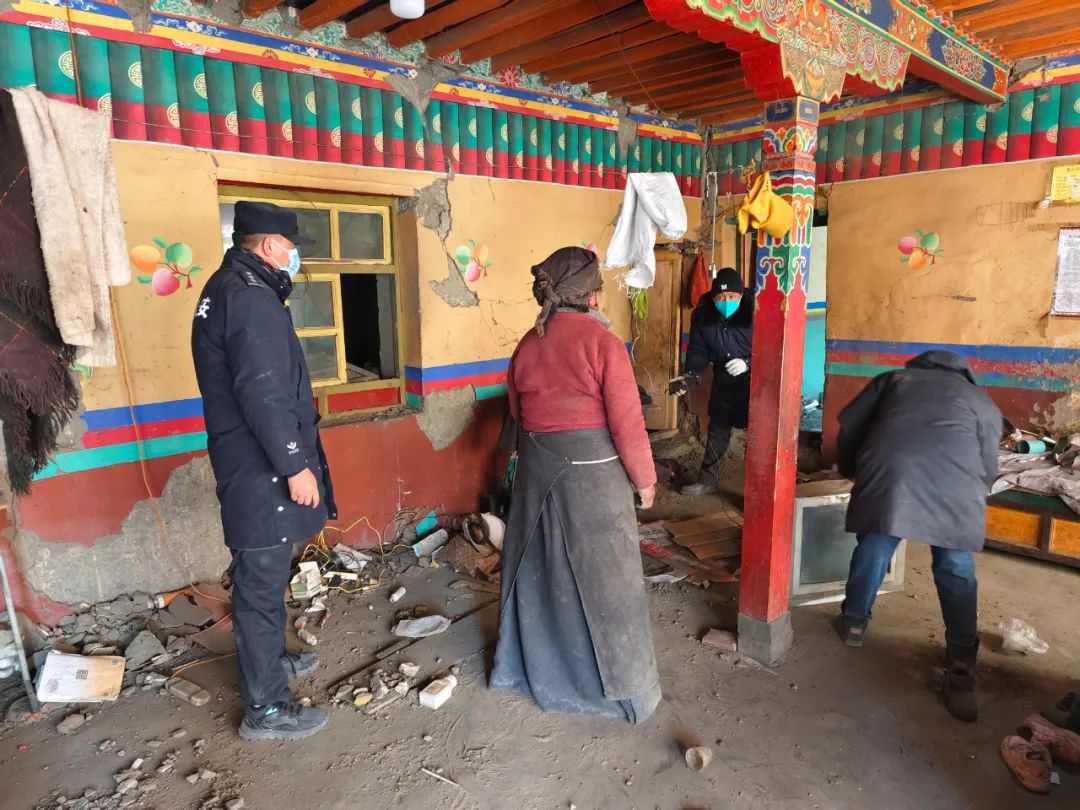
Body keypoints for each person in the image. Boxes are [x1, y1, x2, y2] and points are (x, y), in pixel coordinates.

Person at [490, 246, 662, 724]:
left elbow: (517, 412)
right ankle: (619, 694)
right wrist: (645, 480)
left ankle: (534, 673)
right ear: (590, 296)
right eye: (600, 288)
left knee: (542, 571)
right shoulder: (603, 343)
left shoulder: (529, 343)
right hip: (594, 479)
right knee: (607, 583)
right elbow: (627, 421)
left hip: (536, 474)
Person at [191, 201, 337, 741]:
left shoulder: (227, 286)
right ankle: (267, 709)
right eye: (292, 247)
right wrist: (295, 465)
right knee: (259, 581)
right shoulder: (250, 297)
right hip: (262, 467)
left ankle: (271, 659)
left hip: (249, 458)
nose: (295, 257)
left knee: (267, 573)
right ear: (271, 245)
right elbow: (263, 392)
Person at [836, 350, 1002, 722]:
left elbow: (851, 428)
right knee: (955, 567)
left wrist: (850, 469)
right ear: (964, 373)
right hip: (956, 486)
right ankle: (961, 661)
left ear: (920, 365)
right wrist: (973, 488)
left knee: (876, 543)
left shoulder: (893, 381)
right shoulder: (980, 400)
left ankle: (854, 623)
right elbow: (989, 464)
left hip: (892, 476)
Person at [671, 268, 752, 496]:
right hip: (724, 379)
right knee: (717, 430)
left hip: (756, 381)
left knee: (760, 434)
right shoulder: (703, 314)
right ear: (713, 297)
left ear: (741, 295)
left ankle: (759, 488)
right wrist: (690, 376)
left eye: (732, 297)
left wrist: (748, 362)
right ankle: (707, 480)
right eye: (721, 298)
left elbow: (773, 347)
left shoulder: (755, 309)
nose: (726, 302)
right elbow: (698, 350)